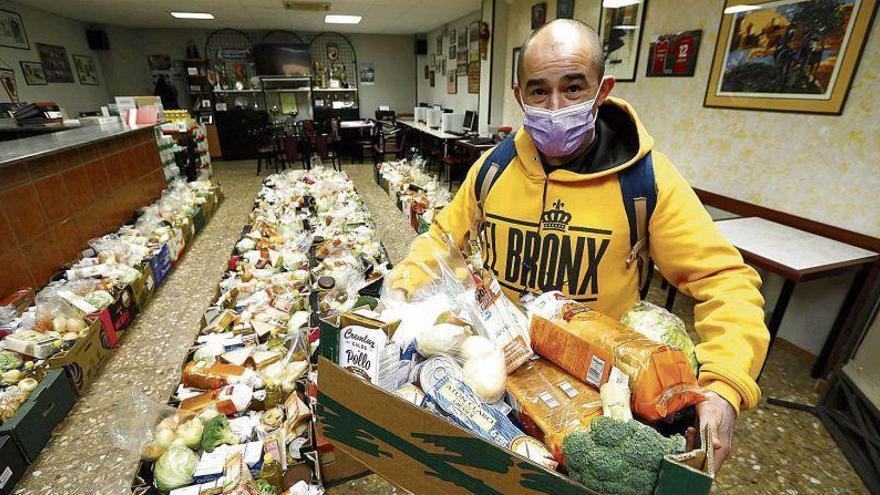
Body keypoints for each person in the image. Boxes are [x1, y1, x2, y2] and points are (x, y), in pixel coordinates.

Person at [388, 19, 769, 471]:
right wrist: (399, 294)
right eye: (538, 91)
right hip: (492, 374)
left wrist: (725, 385)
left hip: (594, 399)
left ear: (602, 90)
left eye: (573, 88)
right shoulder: (494, 168)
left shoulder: (646, 180)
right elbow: (442, 239)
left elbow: (723, 279)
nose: (554, 106)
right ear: (518, 95)